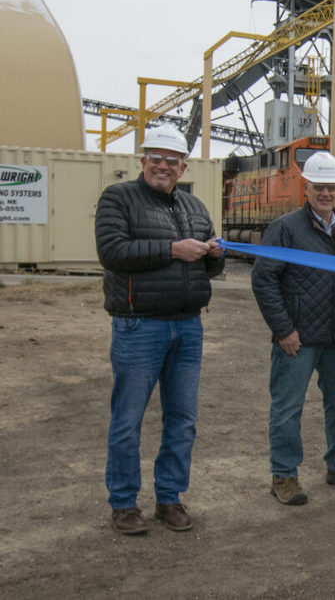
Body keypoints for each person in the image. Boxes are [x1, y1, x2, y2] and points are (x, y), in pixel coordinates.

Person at [95, 124, 224, 535]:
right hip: (139, 326)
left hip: (187, 326)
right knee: (128, 418)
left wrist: (215, 254)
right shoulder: (118, 198)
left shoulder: (195, 208)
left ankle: (169, 497)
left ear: (183, 166)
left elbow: (210, 268)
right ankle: (124, 504)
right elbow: (112, 252)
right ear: (142, 160)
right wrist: (173, 249)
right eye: (156, 158)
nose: (163, 166)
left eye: (171, 161)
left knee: (182, 419)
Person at [252, 150, 335, 506]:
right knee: (288, 407)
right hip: (296, 340)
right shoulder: (285, 229)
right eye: (319, 187)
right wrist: (284, 329)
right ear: (307, 188)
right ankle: (284, 475)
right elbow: (264, 281)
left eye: (331, 188)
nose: (326, 194)